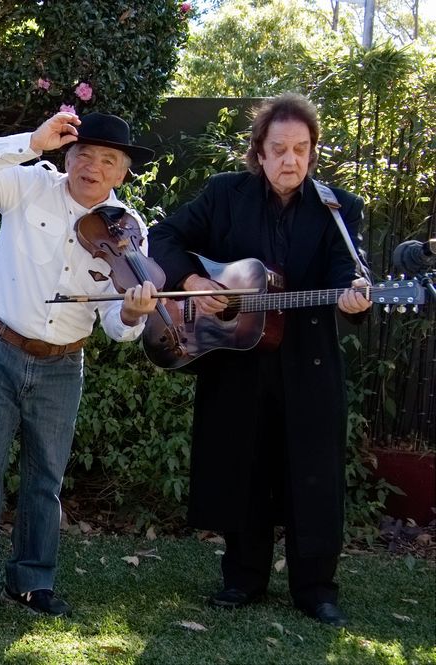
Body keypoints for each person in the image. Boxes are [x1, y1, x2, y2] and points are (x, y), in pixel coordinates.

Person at [147, 93, 372, 628]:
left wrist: (353, 297)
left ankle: (315, 588)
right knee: (242, 462)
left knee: (312, 473)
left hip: (308, 361)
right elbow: (165, 236)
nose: (291, 159)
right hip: (238, 358)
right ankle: (242, 577)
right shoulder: (226, 194)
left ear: (312, 152)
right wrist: (193, 280)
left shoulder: (337, 206)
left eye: (301, 149)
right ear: (259, 151)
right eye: (279, 149)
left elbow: (350, 273)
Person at [0, 111, 159, 616]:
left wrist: (130, 313)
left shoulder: (129, 229)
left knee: (46, 475)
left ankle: (31, 581)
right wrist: (32, 141)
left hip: (63, 364)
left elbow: (116, 320)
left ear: (122, 172)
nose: (92, 166)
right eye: (83, 153)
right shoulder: (30, 187)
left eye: (108, 160)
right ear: (67, 155)